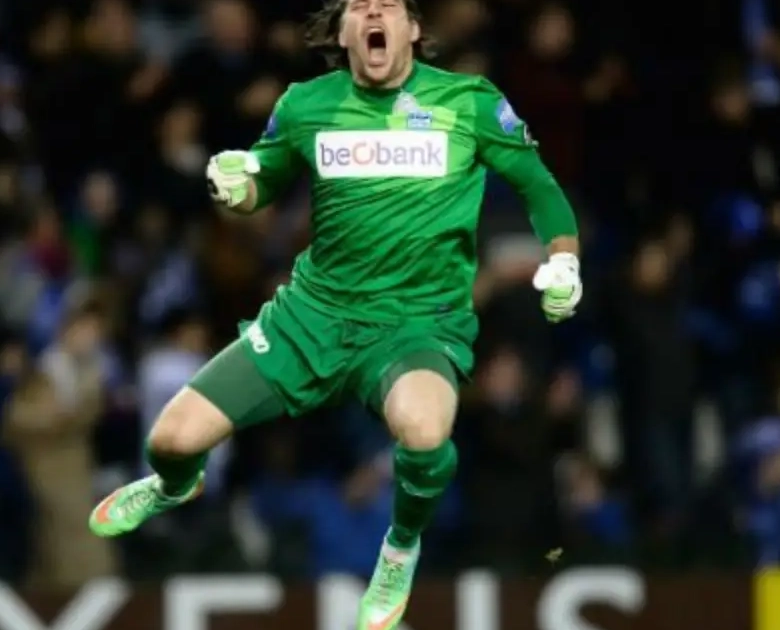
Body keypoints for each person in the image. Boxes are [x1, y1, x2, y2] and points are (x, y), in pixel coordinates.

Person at [89, 0, 582, 627]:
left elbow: (539, 185)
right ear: (343, 32)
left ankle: (399, 550)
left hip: (416, 324)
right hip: (311, 320)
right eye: (359, 7)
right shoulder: (305, 104)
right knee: (169, 441)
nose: (374, 12)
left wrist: (564, 261)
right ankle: (175, 485)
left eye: (388, 5)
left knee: (425, 433)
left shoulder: (470, 102)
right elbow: (264, 180)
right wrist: (239, 185)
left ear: (413, 29)